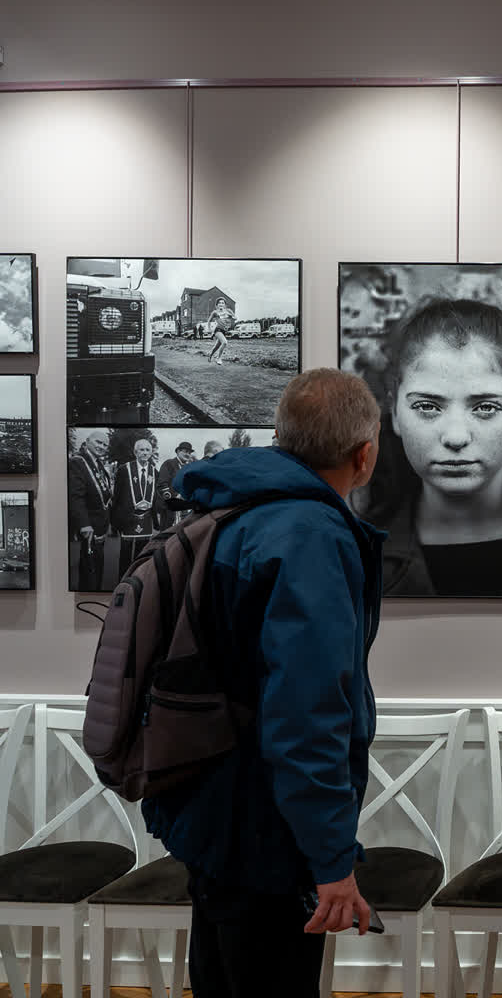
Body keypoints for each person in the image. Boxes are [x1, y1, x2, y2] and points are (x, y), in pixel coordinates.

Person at [141, 367, 385, 998]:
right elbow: (306, 715)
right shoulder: (311, 536)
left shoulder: (233, 510)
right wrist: (331, 859)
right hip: (264, 825)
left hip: (208, 800)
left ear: (281, 438)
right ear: (364, 455)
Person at [364, 298, 502, 597]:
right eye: (427, 406)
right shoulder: (354, 550)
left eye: (486, 407)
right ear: (395, 413)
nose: (456, 437)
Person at [67, 430, 113, 591]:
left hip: (100, 525)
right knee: (90, 571)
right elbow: (75, 497)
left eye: (105, 445)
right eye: (98, 442)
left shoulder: (98, 463)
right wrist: (84, 524)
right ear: (87, 441)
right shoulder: (77, 462)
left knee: (96, 567)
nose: (102, 447)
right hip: (90, 527)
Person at [111, 436, 158, 567]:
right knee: (125, 556)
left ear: (151, 453)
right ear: (135, 452)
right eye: (141, 450)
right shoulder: (124, 469)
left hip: (146, 519)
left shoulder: (155, 472)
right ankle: (124, 578)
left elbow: (155, 498)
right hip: (127, 518)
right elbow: (117, 496)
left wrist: (156, 522)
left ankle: (137, 579)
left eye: (148, 450)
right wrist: (115, 522)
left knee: (141, 555)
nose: (145, 453)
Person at [156, 440, 196, 529]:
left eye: (189, 453)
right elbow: (162, 484)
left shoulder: (189, 467)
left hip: (185, 509)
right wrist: (175, 497)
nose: (188, 454)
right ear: (178, 451)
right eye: (185, 451)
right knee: (168, 534)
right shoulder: (169, 464)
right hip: (170, 509)